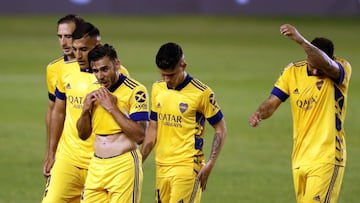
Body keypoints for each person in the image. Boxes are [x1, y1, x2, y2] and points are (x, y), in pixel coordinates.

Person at [249, 24, 351, 203]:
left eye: (321, 67)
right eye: (313, 66)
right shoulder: (293, 72)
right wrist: (259, 113)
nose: (317, 71)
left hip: (327, 157)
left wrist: (299, 39)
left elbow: (325, 64)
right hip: (300, 158)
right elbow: (272, 101)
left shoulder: (341, 69)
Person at [141, 42, 227, 203]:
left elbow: (220, 128)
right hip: (161, 166)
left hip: (187, 166)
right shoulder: (158, 89)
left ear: (183, 65)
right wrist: (139, 160)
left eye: (171, 75)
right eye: (163, 75)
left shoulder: (202, 93)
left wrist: (210, 163)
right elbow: (153, 128)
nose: (166, 80)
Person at [77, 44, 149, 203]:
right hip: (96, 166)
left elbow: (140, 135)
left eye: (104, 69)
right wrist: (84, 111)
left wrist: (112, 107)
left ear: (117, 65)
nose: (100, 76)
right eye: (95, 71)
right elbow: (83, 135)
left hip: (123, 166)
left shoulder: (136, 91)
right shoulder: (93, 89)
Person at [42, 21, 102, 203]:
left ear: (96, 46)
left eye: (83, 49)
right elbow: (58, 112)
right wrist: (51, 152)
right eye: (75, 50)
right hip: (68, 158)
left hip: (99, 160)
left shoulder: (112, 74)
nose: (78, 55)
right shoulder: (65, 70)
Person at [43, 14, 84, 178]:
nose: (63, 42)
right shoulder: (54, 69)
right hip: (66, 151)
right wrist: (50, 151)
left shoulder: (100, 68)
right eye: (60, 37)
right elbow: (53, 111)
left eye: (68, 36)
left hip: (92, 151)